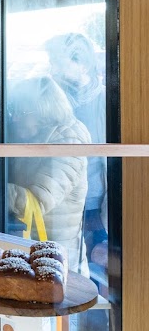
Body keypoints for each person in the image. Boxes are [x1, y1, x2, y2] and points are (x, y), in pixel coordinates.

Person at [7, 75, 91, 274]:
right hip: (34, 251)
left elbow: (36, 201)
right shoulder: (31, 135)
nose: (15, 119)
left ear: (44, 113)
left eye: (22, 112)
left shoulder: (69, 141)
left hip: (58, 261)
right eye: (13, 111)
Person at [45, 32, 107, 252]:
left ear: (82, 65)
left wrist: (103, 218)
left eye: (58, 63)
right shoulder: (56, 101)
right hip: (56, 204)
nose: (53, 70)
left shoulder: (105, 104)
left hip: (93, 208)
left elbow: (114, 165)